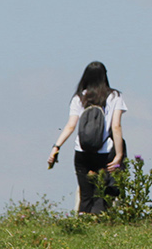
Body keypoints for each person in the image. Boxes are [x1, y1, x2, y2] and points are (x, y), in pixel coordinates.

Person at [48, 62, 126, 214]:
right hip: (104, 152)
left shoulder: (79, 97)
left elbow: (70, 126)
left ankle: (82, 224)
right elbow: (116, 126)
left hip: (81, 151)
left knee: (85, 195)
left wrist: (56, 147)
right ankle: (97, 224)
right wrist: (119, 155)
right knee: (100, 195)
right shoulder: (115, 96)